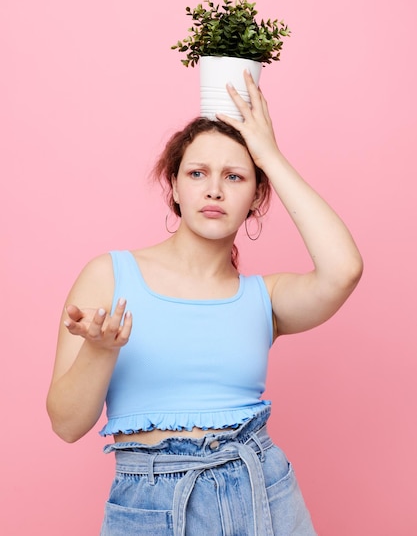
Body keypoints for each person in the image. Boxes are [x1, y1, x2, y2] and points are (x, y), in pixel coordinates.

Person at [47, 70, 363, 536]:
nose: (214, 190)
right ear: (173, 186)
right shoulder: (110, 276)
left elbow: (344, 270)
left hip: (264, 494)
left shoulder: (263, 298)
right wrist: (100, 349)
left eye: (234, 176)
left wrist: (270, 156)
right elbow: (66, 424)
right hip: (152, 503)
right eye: (197, 173)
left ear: (257, 195)